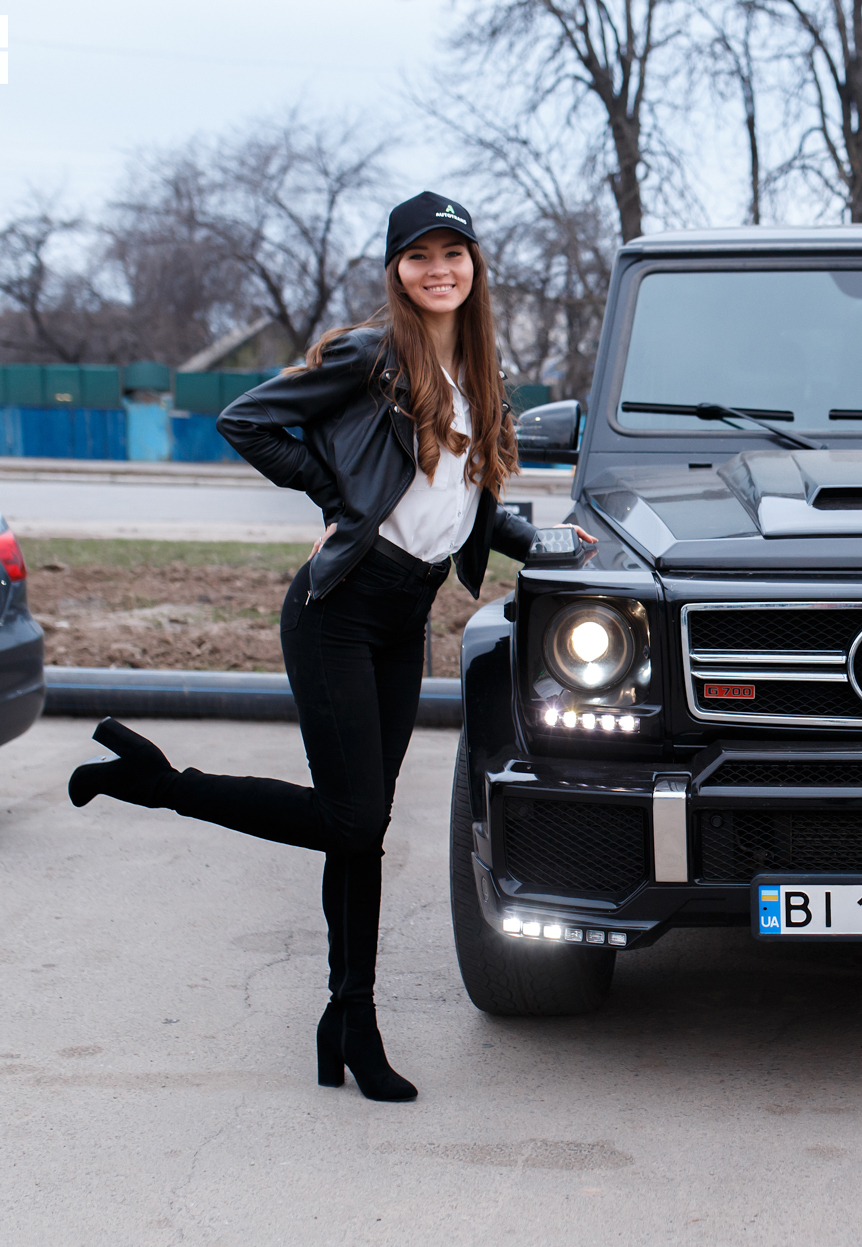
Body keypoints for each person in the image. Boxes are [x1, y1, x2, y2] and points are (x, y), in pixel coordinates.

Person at [68, 191, 594, 1103]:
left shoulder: (479, 372)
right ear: (397, 270)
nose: (439, 269)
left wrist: (542, 542)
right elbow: (247, 420)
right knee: (351, 822)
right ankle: (160, 784)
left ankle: (350, 1021)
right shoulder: (371, 355)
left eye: (454, 253)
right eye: (419, 255)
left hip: (405, 617)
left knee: (362, 833)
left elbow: (460, 501)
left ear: (475, 267)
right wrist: (339, 501)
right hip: (339, 611)